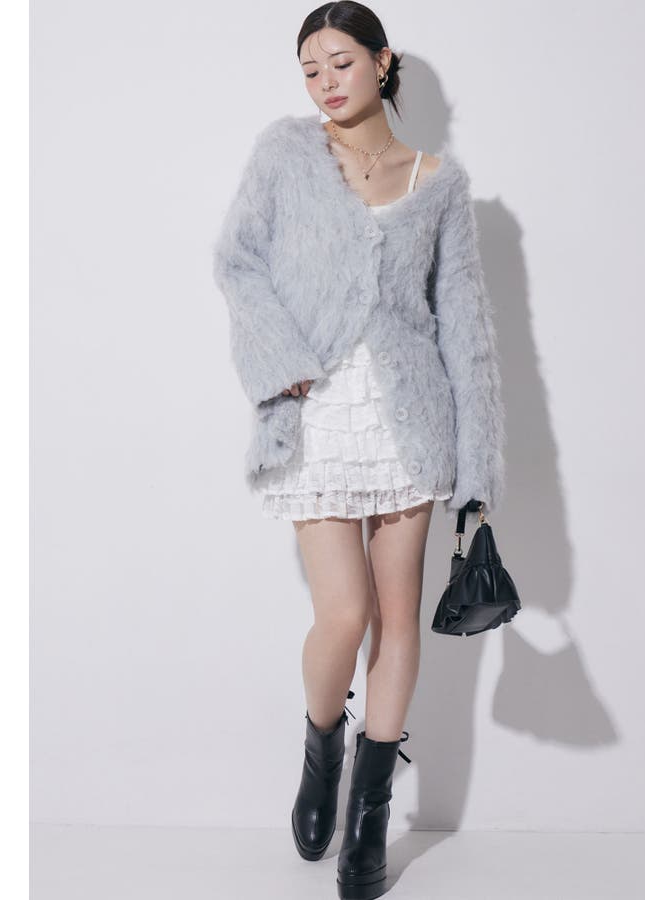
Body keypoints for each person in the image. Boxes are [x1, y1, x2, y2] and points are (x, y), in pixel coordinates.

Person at [212, 4, 505, 897]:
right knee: (343, 615)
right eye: (310, 69)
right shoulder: (284, 154)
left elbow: (466, 330)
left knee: (395, 617)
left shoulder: (440, 184)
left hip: (412, 424)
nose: (324, 83)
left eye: (339, 62)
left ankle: (371, 813)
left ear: (382, 62)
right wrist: (281, 362)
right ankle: (321, 749)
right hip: (316, 418)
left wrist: (478, 469)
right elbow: (237, 264)